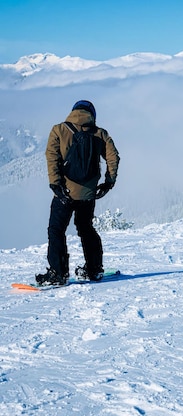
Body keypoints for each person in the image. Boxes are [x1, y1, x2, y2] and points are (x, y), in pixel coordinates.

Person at [36, 100, 120, 285]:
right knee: (86, 228)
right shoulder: (100, 133)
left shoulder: (58, 130)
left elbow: (52, 158)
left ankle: (58, 273)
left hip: (64, 192)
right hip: (88, 194)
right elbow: (113, 156)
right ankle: (94, 269)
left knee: (56, 230)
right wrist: (109, 182)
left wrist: (56, 185)